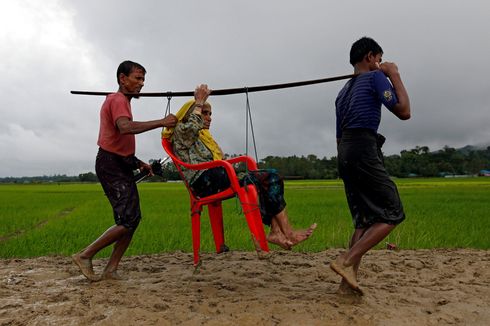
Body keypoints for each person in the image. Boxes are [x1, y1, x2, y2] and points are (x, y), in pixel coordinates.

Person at [162, 84, 317, 250]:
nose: (208, 117)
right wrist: (199, 101)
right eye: (204, 113)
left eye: (210, 114)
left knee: (272, 177)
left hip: (217, 175)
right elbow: (192, 128)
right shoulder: (181, 130)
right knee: (264, 179)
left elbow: (218, 156)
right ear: (189, 114)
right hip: (203, 182)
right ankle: (286, 233)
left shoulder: (204, 137)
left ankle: (277, 230)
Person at [72, 60, 178, 281]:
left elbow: (119, 142)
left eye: (143, 80)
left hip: (119, 162)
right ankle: (85, 255)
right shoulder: (118, 99)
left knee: (132, 218)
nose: (141, 84)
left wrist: (139, 163)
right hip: (110, 164)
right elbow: (125, 128)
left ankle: (111, 269)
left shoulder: (122, 101)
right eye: (137, 79)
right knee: (128, 219)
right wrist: (162, 122)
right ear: (122, 78)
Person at [330, 37, 411, 294]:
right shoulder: (376, 78)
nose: (380, 63)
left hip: (345, 153)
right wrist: (394, 74)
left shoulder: (342, 93)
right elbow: (404, 111)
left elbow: (338, 138)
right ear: (369, 57)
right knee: (392, 212)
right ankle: (346, 260)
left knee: (363, 221)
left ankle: (347, 283)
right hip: (363, 147)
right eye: (379, 58)